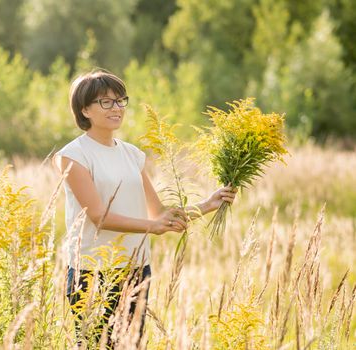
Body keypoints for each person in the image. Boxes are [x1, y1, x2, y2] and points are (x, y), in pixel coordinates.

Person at [53, 69, 236, 347]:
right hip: (93, 271)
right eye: (106, 102)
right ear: (84, 110)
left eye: (120, 101)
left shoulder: (131, 154)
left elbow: (159, 213)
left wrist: (208, 204)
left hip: (136, 269)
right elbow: (98, 216)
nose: (116, 108)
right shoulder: (73, 155)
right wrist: (151, 227)